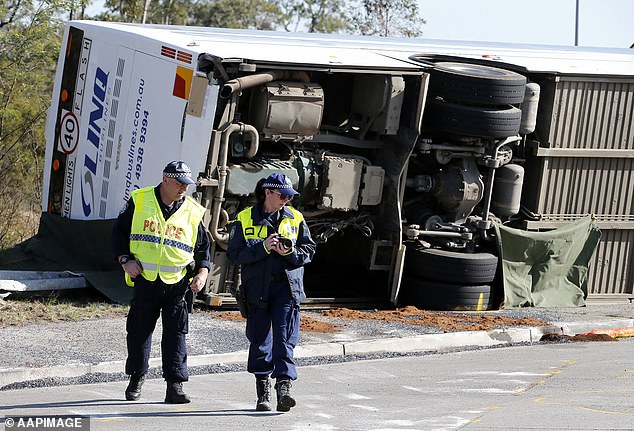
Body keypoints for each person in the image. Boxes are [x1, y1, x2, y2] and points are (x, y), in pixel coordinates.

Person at [112, 160, 211, 404]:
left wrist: (202, 273)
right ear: (165, 180)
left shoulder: (192, 211)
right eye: (179, 183)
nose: (183, 189)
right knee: (139, 333)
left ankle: (175, 386)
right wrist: (125, 259)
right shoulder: (140, 200)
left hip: (178, 283)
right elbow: (118, 234)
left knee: (176, 335)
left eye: (186, 185)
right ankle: (136, 379)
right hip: (146, 279)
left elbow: (203, 249)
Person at [227, 173, 316, 412]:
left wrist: (289, 253)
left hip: (286, 287)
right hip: (257, 289)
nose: (286, 200)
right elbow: (234, 255)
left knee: (285, 338)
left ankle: (284, 387)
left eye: (289, 196)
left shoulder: (295, 217)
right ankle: (262, 388)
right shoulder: (244, 218)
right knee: (259, 339)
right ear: (268, 193)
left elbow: (309, 249)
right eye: (282, 195)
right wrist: (263, 247)